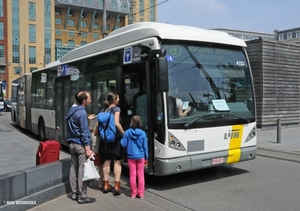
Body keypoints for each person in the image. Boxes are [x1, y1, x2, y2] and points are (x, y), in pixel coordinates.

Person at [64, 91, 96, 204]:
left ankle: (74, 193)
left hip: (72, 144)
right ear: (84, 101)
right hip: (80, 145)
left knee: (73, 168)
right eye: (89, 98)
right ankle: (82, 196)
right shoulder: (82, 113)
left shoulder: (71, 111)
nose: (91, 100)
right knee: (82, 170)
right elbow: (83, 132)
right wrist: (87, 148)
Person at [99, 92, 125, 195]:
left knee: (107, 161)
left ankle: (106, 184)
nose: (119, 99)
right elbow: (116, 123)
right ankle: (117, 186)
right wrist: (123, 133)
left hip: (105, 140)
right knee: (117, 161)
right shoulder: (116, 109)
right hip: (115, 139)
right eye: (118, 98)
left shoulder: (103, 110)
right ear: (114, 99)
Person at [120, 115, 148, 199]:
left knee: (132, 175)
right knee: (141, 175)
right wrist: (146, 157)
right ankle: (141, 193)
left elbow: (123, 144)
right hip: (140, 156)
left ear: (131, 122)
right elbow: (145, 146)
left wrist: (122, 139)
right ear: (140, 122)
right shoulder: (143, 133)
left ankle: (133, 193)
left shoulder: (127, 132)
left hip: (131, 157)